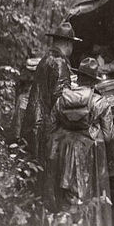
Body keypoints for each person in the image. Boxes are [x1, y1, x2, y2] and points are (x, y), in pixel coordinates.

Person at [44, 57, 114, 226]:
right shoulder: (99, 102)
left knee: (69, 198)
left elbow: (50, 129)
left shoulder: (61, 100)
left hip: (65, 155)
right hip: (90, 157)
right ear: (94, 80)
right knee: (91, 196)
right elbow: (109, 136)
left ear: (79, 77)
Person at [24, 22, 81, 160]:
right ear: (68, 44)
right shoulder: (59, 62)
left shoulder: (46, 58)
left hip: (34, 122)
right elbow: (62, 100)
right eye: (72, 44)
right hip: (45, 128)